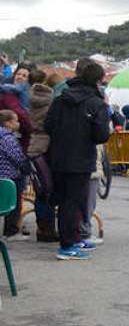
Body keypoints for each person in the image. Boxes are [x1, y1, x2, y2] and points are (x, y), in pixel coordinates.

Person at [44, 57, 110, 260]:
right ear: (97, 81)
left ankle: (73, 239)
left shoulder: (61, 98)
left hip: (59, 156)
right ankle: (67, 246)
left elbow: (48, 125)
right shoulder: (96, 103)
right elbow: (101, 135)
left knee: (66, 200)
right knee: (73, 203)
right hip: (81, 159)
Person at [26, 70, 57, 242]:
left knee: (40, 190)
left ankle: (42, 228)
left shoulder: (30, 101)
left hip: (33, 145)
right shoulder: (51, 102)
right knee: (48, 190)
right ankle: (48, 230)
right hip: (46, 146)